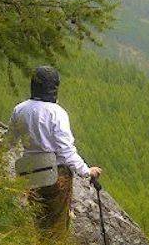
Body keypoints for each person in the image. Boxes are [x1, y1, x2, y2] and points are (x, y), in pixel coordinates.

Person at [9, 65, 101, 232]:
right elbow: (66, 151)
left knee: (37, 219)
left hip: (29, 172)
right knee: (55, 225)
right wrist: (87, 171)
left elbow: (9, 140)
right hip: (54, 173)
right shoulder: (57, 113)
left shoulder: (20, 109)